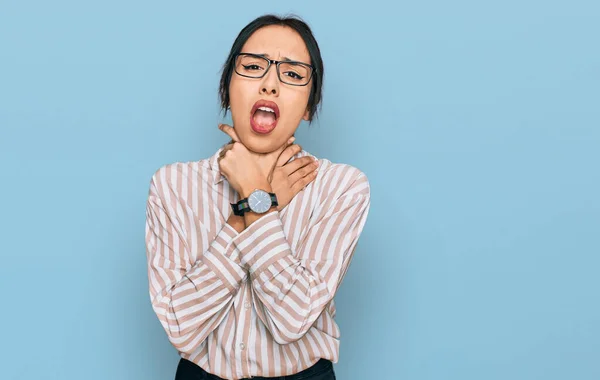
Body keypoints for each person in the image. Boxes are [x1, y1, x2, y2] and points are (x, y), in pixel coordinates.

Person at [144, 14, 371, 380]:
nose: (270, 85)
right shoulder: (172, 185)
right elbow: (180, 327)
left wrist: (252, 194)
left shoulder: (341, 187)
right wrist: (255, 204)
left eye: (293, 74)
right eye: (253, 67)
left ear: (310, 106)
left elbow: (291, 320)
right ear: (226, 89)